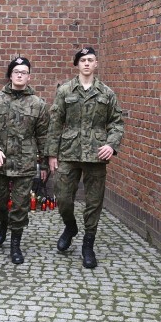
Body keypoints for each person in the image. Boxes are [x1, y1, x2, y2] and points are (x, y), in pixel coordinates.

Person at [47, 46, 124, 268]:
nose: (87, 63)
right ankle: (70, 227)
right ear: (77, 65)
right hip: (69, 153)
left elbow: (117, 123)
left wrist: (111, 144)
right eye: (83, 60)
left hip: (96, 155)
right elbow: (55, 122)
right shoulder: (65, 91)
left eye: (90, 60)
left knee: (93, 202)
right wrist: (52, 154)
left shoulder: (106, 93)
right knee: (62, 197)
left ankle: (88, 244)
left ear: (96, 64)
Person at [0, 56, 49, 265]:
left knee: (21, 205)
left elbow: (44, 136)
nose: (20, 75)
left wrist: (44, 164)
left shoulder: (38, 104)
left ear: (29, 76)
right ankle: (3, 222)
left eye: (24, 72)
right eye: (16, 71)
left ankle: (15, 244)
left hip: (25, 163)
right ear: (10, 75)